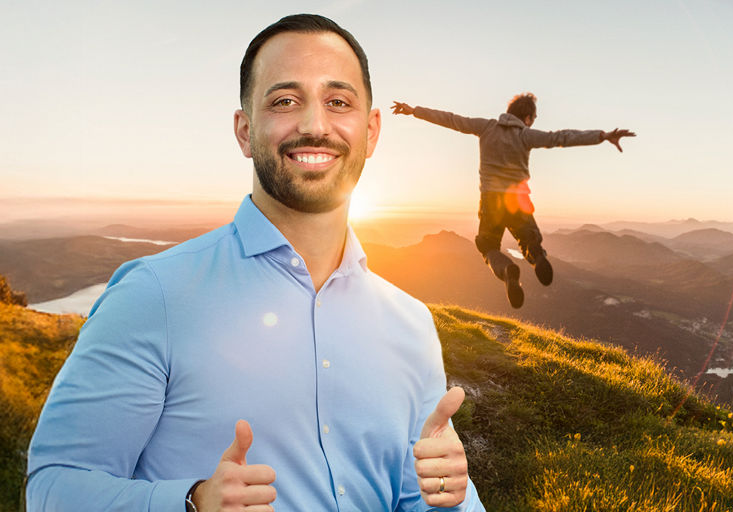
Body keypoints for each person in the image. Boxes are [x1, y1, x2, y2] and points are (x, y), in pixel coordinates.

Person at [25, 14, 484, 512]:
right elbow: (54, 488)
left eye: (338, 102)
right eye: (284, 101)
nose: (314, 126)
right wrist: (192, 502)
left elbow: (417, 500)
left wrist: (451, 498)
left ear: (371, 131)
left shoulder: (412, 325)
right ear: (245, 131)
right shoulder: (153, 295)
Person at [391, 95, 635, 308]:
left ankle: (508, 271)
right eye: (534, 118)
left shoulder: (485, 127)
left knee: (488, 246)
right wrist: (602, 136)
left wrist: (414, 111)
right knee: (528, 240)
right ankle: (537, 257)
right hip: (518, 199)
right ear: (527, 117)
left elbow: (451, 119)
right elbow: (560, 138)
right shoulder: (525, 135)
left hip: (491, 200)